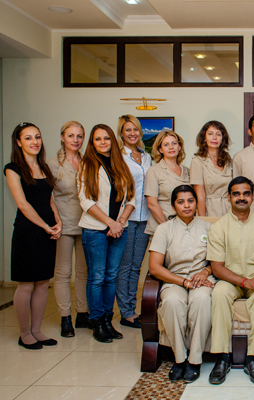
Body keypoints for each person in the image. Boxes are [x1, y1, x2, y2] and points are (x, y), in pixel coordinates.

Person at [207, 176, 254, 385]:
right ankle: (222, 356)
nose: (241, 198)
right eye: (236, 194)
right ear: (229, 197)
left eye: (246, 193)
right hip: (230, 280)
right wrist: (246, 282)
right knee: (219, 293)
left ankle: (253, 358)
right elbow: (217, 268)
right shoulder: (219, 227)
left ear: (253, 197)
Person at [149, 185, 214, 383]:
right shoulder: (164, 229)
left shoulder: (208, 228)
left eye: (191, 201)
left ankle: (195, 360)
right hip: (174, 279)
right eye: (181, 202)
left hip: (202, 279)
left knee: (201, 300)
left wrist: (205, 272)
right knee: (171, 302)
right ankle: (179, 359)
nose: (186, 206)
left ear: (196, 203)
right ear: (173, 206)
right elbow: (154, 267)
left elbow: (218, 261)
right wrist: (183, 282)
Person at [5, 122, 61, 350]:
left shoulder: (44, 167)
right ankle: (25, 333)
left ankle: (37, 330)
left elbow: (50, 200)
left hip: (48, 231)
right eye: (27, 138)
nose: (34, 141)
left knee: (43, 283)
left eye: (37, 137)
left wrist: (57, 222)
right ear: (19, 143)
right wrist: (45, 226)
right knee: (26, 284)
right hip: (28, 231)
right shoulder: (12, 169)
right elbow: (23, 204)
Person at [78, 124, 135, 343]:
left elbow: (131, 198)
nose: (103, 142)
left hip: (119, 229)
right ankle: (97, 322)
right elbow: (85, 200)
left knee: (111, 277)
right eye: (97, 139)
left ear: (113, 140)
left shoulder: (121, 164)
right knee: (97, 277)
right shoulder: (87, 165)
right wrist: (110, 223)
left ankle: (108, 320)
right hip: (95, 230)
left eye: (106, 138)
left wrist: (120, 222)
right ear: (92, 143)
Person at [48, 121, 91, 338]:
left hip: (86, 224)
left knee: (84, 272)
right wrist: (56, 220)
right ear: (62, 137)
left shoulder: (88, 163)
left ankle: (82, 314)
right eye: (71, 135)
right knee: (63, 273)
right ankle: (65, 318)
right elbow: (47, 197)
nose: (75, 140)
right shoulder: (51, 165)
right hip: (63, 225)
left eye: (79, 136)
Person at [116, 115, 152, 329]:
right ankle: (126, 312)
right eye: (127, 130)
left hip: (145, 217)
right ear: (121, 133)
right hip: (126, 218)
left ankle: (131, 309)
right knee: (125, 267)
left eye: (135, 129)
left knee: (136, 267)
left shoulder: (147, 156)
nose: (132, 133)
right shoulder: (118, 156)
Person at [145, 130, 190, 236]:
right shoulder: (154, 171)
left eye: (174, 143)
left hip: (184, 227)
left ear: (179, 147)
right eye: (166, 144)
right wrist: (168, 229)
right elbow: (152, 204)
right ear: (160, 149)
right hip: (162, 227)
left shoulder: (188, 171)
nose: (171, 147)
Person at [190, 120, 233, 217]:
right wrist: (203, 220)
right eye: (210, 134)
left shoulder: (229, 161)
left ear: (222, 139)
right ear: (204, 138)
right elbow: (200, 197)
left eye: (218, 134)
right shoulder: (197, 162)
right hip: (209, 210)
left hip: (229, 210)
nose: (214, 137)